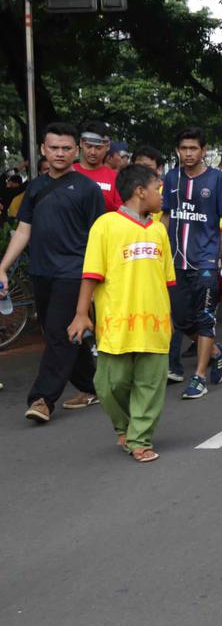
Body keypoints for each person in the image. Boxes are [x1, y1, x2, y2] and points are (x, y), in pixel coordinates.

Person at [0, 122, 107, 422]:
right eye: (54, 148)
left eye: (66, 148)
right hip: (41, 272)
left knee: (59, 334)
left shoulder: (88, 189)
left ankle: (42, 399)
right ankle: (93, 385)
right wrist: (2, 267)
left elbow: (100, 237)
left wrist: (96, 277)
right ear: (43, 150)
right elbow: (23, 231)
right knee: (60, 333)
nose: (60, 153)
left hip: (74, 273)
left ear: (77, 151)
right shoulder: (34, 187)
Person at [68, 164, 174, 462]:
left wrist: (169, 319)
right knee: (109, 383)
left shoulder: (159, 230)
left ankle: (139, 437)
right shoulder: (106, 225)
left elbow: (166, 282)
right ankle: (124, 426)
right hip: (116, 322)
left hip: (155, 322)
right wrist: (81, 313)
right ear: (141, 191)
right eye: (158, 188)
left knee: (151, 384)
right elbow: (91, 273)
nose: (162, 195)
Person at [162, 127, 222, 399]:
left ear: (203, 151)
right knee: (180, 320)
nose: (188, 153)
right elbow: (167, 217)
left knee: (205, 318)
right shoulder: (171, 178)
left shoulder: (217, 179)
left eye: (193, 148)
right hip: (174, 263)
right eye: (183, 148)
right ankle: (217, 351)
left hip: (206, 260)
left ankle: (199, 376)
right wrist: (158, 250)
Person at [74, 120, 121, 212]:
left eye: (98, 148)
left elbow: (121, 211)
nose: (93, 152)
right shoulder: (69, 171)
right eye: (88, 146)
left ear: (107, 147)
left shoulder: (115, 177)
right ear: (81, 143)